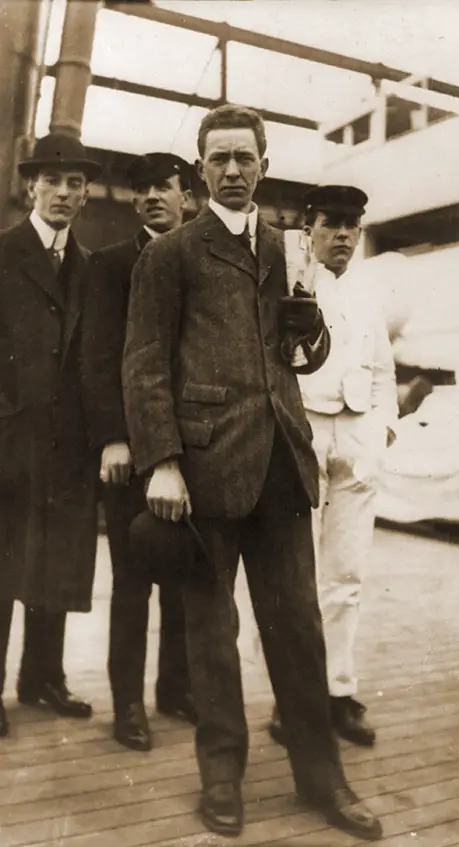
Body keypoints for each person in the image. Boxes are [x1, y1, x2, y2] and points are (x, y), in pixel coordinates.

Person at [122, 104, 382, 841]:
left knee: (298, 627)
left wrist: (317, 332)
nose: (232, 171)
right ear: (201, 171)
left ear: (264, 165)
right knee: (212, 631)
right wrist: (163, 462)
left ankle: (322, 776)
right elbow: (143, 365)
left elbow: (303, 358)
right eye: (218, 160)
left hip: (280, 468)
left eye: (245, 158)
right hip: (204, 469)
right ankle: (222, 774)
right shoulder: (169, 255)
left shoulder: (287, 250)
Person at [268, 185, 398, 749]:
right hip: (305, 435)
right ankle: (290, 699)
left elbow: (385, 372)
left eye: (352, 226)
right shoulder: (292, 286)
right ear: (310, 229)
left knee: (346, 578)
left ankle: (339, 693)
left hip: (358, 440)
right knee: (295, 579)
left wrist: (382, 428)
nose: (342, 235)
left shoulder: (369, 292)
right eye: (331, 224)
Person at [81, 153, 196, 751]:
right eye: (143, 189)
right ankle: (128, 704)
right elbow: (98, 356)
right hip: (131, 448)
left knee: (187, 577)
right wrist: (114, 437)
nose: (153, 196)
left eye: (165, 187)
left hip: (197, 449)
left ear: (187, 198)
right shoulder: (109, 265)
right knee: (132, 580)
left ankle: (176, 689)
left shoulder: (205, 258)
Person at [0, 133, 101, 737]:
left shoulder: (89, 267)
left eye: (74, 184)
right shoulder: (4, 252)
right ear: (30, 186)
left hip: (68, 447)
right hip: (9, 441)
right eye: (52, 181)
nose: (63, 192)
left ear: (86, 195)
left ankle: (43, 679)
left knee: (54, 561)